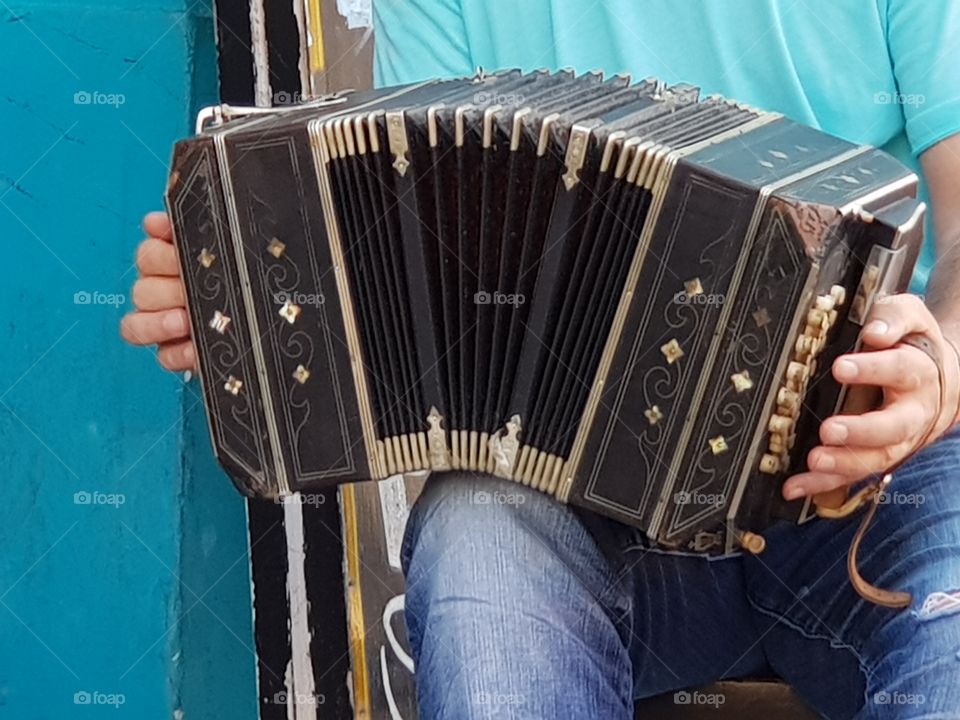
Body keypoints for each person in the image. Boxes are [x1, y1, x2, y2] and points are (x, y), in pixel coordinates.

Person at [123, 1, 960, 717]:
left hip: (881, 470)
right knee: (477, 536)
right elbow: (405, 263)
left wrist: (939, 365)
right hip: (590, 496)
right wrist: (248, 294)